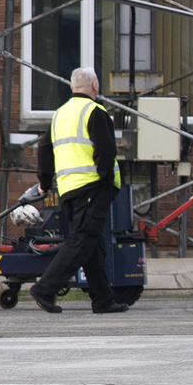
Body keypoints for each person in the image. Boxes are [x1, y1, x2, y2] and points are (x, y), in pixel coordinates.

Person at [29, 66, 129, 315]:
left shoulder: (60, 114)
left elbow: (44, 148)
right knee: (82, 241)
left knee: (92, 244)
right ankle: (45, 288)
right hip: (92, 186)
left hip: (69, 190)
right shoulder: (96, 111)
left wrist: (45, 182)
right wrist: (107, 181)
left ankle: (103, 300)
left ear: (72, 88)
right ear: (95, 87)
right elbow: (106, 152)